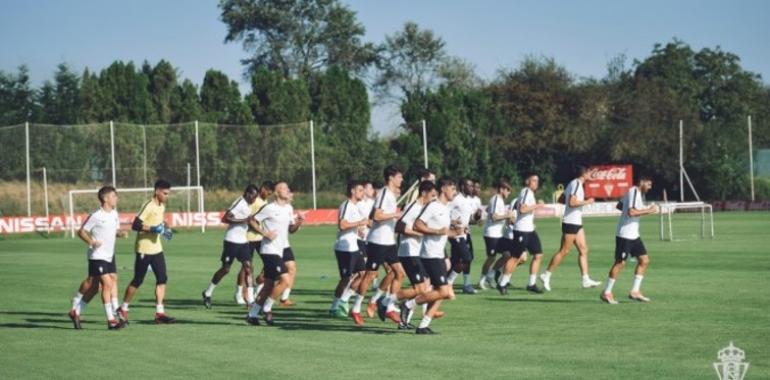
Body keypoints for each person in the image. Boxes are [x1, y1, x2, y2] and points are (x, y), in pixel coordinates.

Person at [117, 179, 175, 324]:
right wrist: (153, 229)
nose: (167, 196)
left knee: (162, 278)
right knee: (138, 280)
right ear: (157, 191)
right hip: (144, 249)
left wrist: (166, 228)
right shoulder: (148, 205)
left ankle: (159, 313)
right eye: (165, 193)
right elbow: (136, 225)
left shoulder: (162, 205)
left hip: (157, 249)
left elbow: (159, 221)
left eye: (168, 193)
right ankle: (123, 308)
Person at [68, 186, 126, 330]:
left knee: (94, 287)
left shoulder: (114, 213)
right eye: (114, 196)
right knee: (107, 283)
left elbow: (112, 231)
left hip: (109, 255)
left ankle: (76, 311)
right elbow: (81, 231)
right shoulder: (96, 215)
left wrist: (119, 234)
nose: (116, 198)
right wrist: (91, 242)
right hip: (97, 256)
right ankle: (111, 319)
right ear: (105, 199)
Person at [247, 182, 304, 325]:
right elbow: (251, 220)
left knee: (268, 285)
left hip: (279, 250)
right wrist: (264, 233)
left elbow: (291, 230)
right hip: (268, 250)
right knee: (285, 280)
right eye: (284, 188)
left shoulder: (289, 208)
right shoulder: (269, 208)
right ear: (277, 193)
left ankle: (252, 314)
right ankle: (267, 309)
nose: (287, 190)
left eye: (287, 188)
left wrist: (299, 222)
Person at [540, 167, 601, 291]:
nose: (591, 175)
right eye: (590, 173)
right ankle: (546, 275)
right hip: (571, 222)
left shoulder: (573, 183)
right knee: (564, 251)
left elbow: (561, 199)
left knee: (583, 250)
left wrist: (573, 202)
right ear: (584, 174)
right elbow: (572, 203)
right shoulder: (577, 184)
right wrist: (587, 202)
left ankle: (585, 279)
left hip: (576, 222)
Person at [600, 176, 659, 304]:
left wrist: (640, 210)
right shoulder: (634, 191)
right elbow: (631, 212)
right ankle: (606, 292)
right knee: (620, 263)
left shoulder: (636, 194)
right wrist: (649, 210)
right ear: (642, 182)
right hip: (625, 235)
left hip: (634, 235)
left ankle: (635, 291)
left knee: (644, 260)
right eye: (648, 184)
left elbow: (619, 205)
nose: (650, 187)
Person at [202, 185, 260, 309]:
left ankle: (250, 300)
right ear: (247, 193)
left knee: (249, 267)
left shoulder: (247, 205)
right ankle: (208, 292)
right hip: (231, 241)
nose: (254, 199)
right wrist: (245, 220)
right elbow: (225, 218)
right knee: (226, 269)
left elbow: (245, 221)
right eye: (253, 197)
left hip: (243, 241)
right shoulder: (240, 202)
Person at [329, 180, 368, 318]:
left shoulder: (355, 206)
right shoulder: (346, 205)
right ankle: (334, 307)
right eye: (360, 190)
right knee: (346, 278)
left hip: (354, 246)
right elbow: (342, 225)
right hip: (344, 247)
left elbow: (351, 226)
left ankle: (344, 300)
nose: (363, 193)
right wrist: (360, 222)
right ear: (352, 191)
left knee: (364, 274)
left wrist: (359, 231)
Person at [478, 179, 513, 289]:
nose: (509, 193)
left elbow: (489, 210)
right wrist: (507, 216)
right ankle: (482, 280)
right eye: (508, 190)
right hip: (491, 234)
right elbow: (494, 217)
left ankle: (491, 274)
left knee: (507, 254)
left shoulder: (499, 200)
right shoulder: (496, 199)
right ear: (502, 189)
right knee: (491, 258)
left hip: (498, 234)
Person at [447, 178, 478, 294]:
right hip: (455, 234)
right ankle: (448, 282)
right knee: (466, 258)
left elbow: (469, 219)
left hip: (465, 234)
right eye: (469, 185)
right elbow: (445, 213)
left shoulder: (469, 200)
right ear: (462, 187)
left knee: (457, 260)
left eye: (472, 186)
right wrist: (453, 223)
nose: (471, 188)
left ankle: (464, 284)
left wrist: (477, 218)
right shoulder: (456, 199)